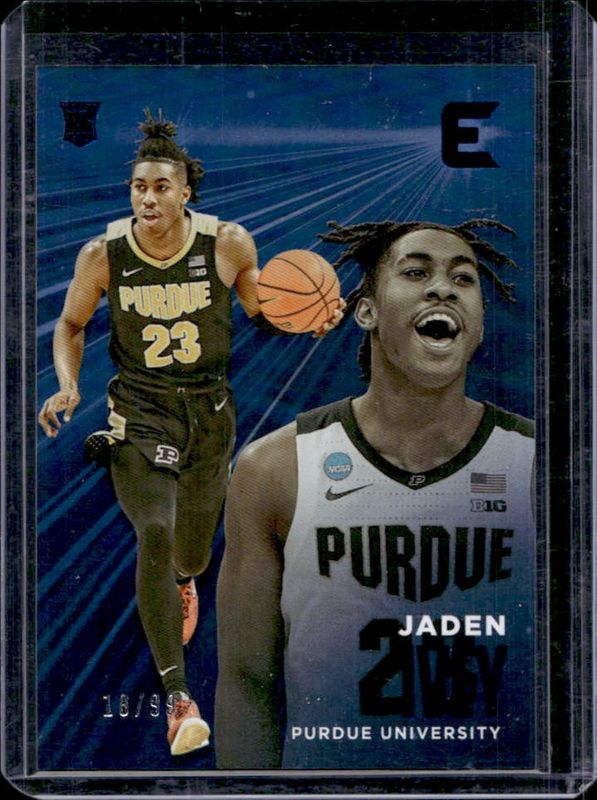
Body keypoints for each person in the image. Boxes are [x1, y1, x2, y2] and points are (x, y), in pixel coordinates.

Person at [38, 110, 342, 757]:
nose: (147, 198)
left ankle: (182, 577)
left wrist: (311, 317)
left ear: (185, 192)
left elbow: (265, 310)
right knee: (154, 527)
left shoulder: (227, 244)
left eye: (160, 187)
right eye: (138, 187)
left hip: (208, 414)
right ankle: (179, 701)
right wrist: (68, 386)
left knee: (193, 552)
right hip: (139, 410)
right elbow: (70, 324)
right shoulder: (102, 255)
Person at [215, 219, 535, 769]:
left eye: (464, 279)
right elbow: (246, 681)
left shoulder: (540, 467)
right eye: (415, 273)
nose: (443, 288)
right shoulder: (274, 469)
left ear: (479, 324)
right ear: (366, 312)